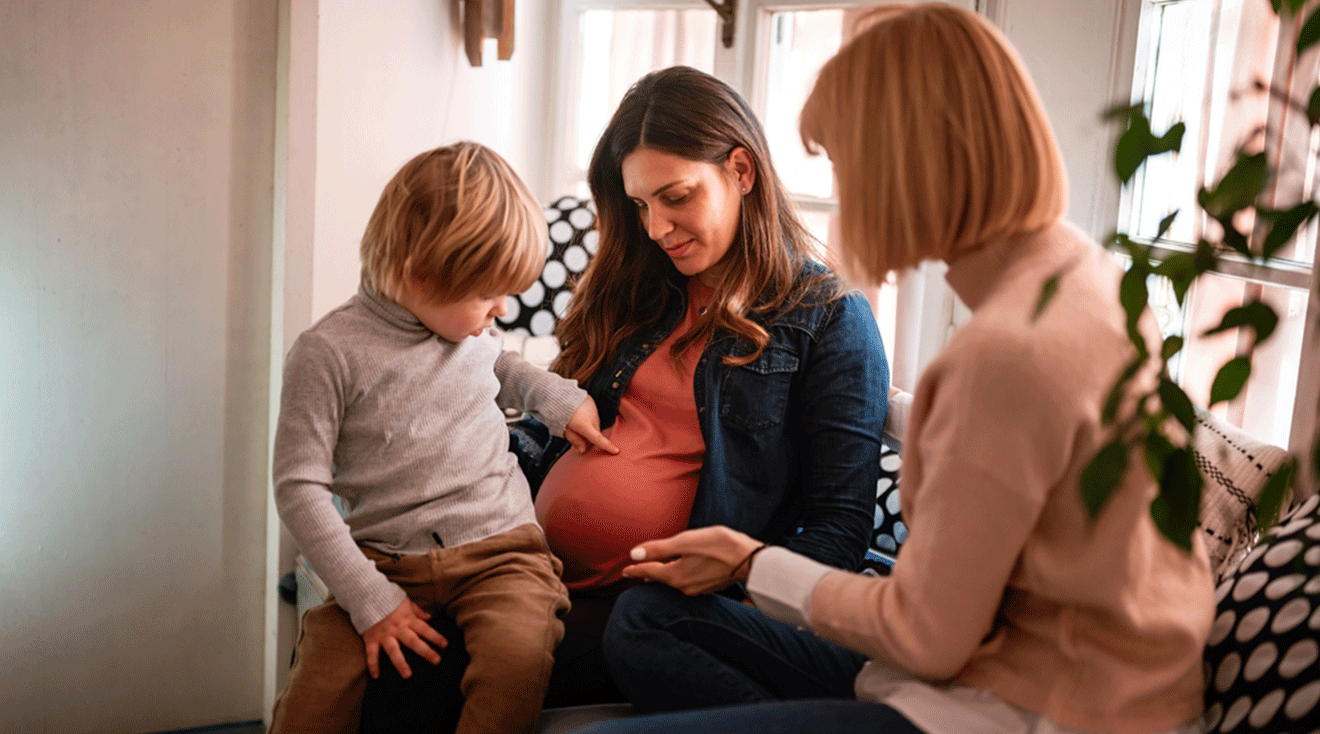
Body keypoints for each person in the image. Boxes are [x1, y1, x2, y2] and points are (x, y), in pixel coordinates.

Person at [580, 5, 1214, 734]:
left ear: (909, 162)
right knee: (652, 622)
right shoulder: (1087, 280)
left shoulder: (1005, 353)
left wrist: (751, 562)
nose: (850, 194)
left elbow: (926, 637)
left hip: (1027, 710)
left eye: (849, 163)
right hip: (1026, 677)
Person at [361, 65, 891, 722]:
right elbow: (556, 426)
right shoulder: (640, 291)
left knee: (637, 626)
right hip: (531, 576)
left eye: (675, 197)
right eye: (639, 206)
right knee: (395, 661)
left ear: (742, 172)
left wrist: (741, 575)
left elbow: (839, 531)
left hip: (665, 607)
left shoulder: (829, 317)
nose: (656, 228)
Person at [268, 141, 618, 734]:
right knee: (314, 701)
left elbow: (502, 367)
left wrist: (560, 400)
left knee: (520, 652)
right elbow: (300, 488)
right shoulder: (327, 353)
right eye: (488, 294)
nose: (500, 310)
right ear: (420, 276)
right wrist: (371, 600)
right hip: (386, 561)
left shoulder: (467, 331)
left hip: (502, 552)